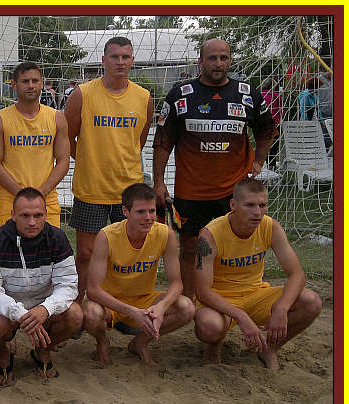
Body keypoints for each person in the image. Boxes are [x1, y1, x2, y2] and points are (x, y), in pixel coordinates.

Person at [153, 38, 276, 299]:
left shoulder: (246, 94)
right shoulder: (180, 94)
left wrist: (259, 161)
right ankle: (187, 303)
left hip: (233, 192)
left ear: (230, 60)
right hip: (191, 190)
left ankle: (224, 298)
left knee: (228, 248)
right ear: (200, 61)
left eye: (223, 58)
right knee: (189, 249)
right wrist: (158, 180)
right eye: (212, 58)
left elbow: (267, 130)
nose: (218, 63)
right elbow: (163, 140)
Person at [193, 178, 322, 371]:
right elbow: (202, 291)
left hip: (256, 293)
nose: (257, 212)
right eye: (250, 205)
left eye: (262, 205)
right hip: (220, 297)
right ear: (233, 205)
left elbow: (297, 275)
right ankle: (215, 344)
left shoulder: (271, 226)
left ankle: (270, 348)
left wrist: (281, 309)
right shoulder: (210, 234)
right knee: (209, 327)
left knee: (312, 302)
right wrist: (241, 316)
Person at [64, 36, 154, 303]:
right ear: (103, 60)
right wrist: (89, 160)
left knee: (125, 253)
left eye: (125, 57)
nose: (120, 62)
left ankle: (119, 305)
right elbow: (67, 138)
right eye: (114, 56)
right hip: (92, 188)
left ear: (132, 61)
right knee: (86, 253)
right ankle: (80, 305)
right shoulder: (82, 94)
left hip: (129, 190)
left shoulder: (144, 98)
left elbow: (139, 141)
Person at [0, 187, 82, 386]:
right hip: (9, 307)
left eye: (38, 215)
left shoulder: (58, 238)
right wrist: (20, 313)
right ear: (13, 215)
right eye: (25, 215)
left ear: (46, 214)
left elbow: (68, 285)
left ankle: (43, 351)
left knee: (75, 315)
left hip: (43, 303)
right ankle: (3, 354)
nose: (32, 222)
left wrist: (45, 308)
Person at [82, 183, 195, 365]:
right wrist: (133, 312)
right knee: (90, 313)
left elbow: (176, 283)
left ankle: (140, 342)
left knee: (187, 308)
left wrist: (162, 306)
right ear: (125, 211)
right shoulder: (106, 236)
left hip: (144, 299)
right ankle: (102, 341)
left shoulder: (165, 234)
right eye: (140, 212)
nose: (148, 218)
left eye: (152, 211)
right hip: (110, 302)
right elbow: (93, 290)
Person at [0, 61, 70, 228]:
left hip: (46, 198)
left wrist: (41, 193)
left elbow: (63, 162)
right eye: (25, 81)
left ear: (42, 83)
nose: (31, 85)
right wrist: (21, 195)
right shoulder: (0, 119)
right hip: (12, 199)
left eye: (35, 81)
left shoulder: (57, 118)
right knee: (12, 245)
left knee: (49, 244)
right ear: (14, 85)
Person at [260, 78, 282, 169]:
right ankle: (271, 167)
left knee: (262, 146)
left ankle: (260, 166)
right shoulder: (277, 96)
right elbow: (281, 112)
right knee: (274, 147)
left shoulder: (259, 95)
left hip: (262, 124)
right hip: (275, 124)